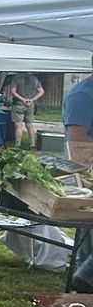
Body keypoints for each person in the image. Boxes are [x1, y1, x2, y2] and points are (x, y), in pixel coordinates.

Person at [63, 56, 93, 292]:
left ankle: (85, 275)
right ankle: (85, 276)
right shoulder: (82, 96)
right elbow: (79, 143)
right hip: (87, 171)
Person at [5, 71, 45, 147]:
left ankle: (17, 144)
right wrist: (32, 99)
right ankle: (32, 144)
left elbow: (13, 91)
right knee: (29, 125)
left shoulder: (16, 78)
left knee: (18, 125)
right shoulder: (34, 78)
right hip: (30, 104)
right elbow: (41, 91)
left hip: (18, 104)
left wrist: (23, 99)